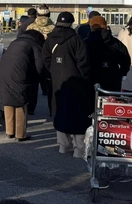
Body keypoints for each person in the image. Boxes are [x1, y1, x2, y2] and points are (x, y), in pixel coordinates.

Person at [43, 11, 92, 159]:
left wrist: (53, 72)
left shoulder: (50, 39)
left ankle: (63, 145)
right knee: (77, 114)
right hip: (76, 82)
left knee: (60, 111)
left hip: (58, 82)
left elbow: (45, 59)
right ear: (71, 23)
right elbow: (83, 62)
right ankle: (79, 148)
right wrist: (86, 78)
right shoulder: (76, 39)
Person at [0, 30, 44, 141]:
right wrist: (36, 78)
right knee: (20, 102)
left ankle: (9, 132)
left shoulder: (15, 42)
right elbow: (39, 65)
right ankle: (20, 134)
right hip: (19, 74)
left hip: (2, 71)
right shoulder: (34, 44)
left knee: (8, 100)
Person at [84, 16, 131, 92]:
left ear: (91, 27)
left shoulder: (86, 43)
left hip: (91, 80)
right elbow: (126, 59)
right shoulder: (115, 43)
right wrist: (122, 73)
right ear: (105, 26)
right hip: (112, 80)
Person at [25, 4, 55, 113]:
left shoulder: (31, 27)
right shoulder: (54, 29)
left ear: (37, 14)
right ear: (49, 14)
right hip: (49, 60)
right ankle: (52, 110)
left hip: (33, 59)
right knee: (51, 85)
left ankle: (31, 109)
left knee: (32, 85)